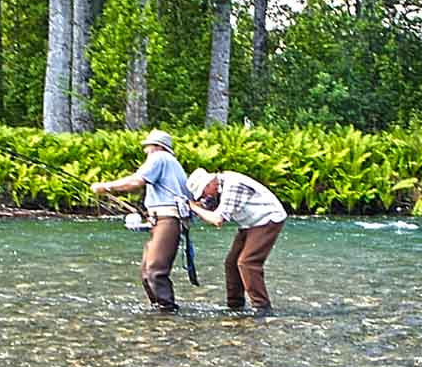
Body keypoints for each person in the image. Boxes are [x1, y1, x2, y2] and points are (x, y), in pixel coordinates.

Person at [90, 129, 191, 313]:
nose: (146, 151)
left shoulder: (159, 157)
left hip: (167, 220)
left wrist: (105, 187)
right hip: (164, 220)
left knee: (154, 271)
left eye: (148, 146)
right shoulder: (172, 163)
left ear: (159, 146)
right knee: (146, 272)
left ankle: (167, 313)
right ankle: (159, 310)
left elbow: (136, 181)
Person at [185, 168, 287, 316]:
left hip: (268, 218)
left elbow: (218, 220)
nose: (205, 196)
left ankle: (262, 308)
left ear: (209, 184)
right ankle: (235, 306)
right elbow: (214, 210)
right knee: (231, 262)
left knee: (247, 263)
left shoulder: (232, 185)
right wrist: (197, 207)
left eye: (204, 192)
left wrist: (193, 207)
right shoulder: (220, 185)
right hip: (250, 223)